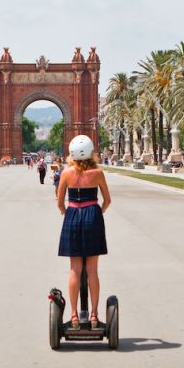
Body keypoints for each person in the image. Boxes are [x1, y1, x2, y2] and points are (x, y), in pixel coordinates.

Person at [57, 135, 112, 329]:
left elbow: (59, 201)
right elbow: (107, 200)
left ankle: (73, 316)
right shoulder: (97, 173)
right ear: (90, 152)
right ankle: (94, 315)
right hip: (93, 217)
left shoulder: (66, 173)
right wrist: (99, 211)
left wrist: (67, 212)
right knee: (92, 270)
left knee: (75, 270)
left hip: (72, 216)